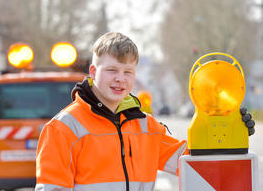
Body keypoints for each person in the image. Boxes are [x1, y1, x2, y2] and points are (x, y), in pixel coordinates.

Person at [35, 32, 255, 191]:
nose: (120, 78)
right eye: (112, 70)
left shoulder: (146, 127)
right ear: (93, 72)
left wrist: (227, 124)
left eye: (128, 71)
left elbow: (192, 161)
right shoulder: (63, 129)